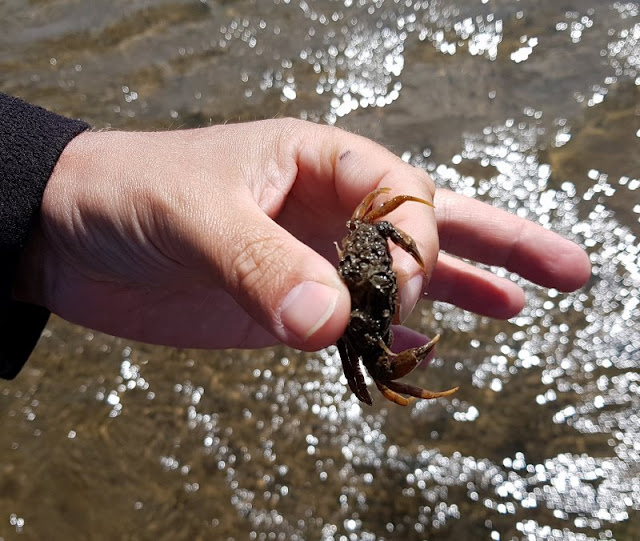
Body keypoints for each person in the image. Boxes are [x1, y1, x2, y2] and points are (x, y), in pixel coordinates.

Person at [0, 92, 591, 379]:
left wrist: (38, 219)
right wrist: (45, 190)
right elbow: (389, 212)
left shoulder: (368, 238)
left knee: (368, 357)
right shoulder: (361, 236)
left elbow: (395, 215)